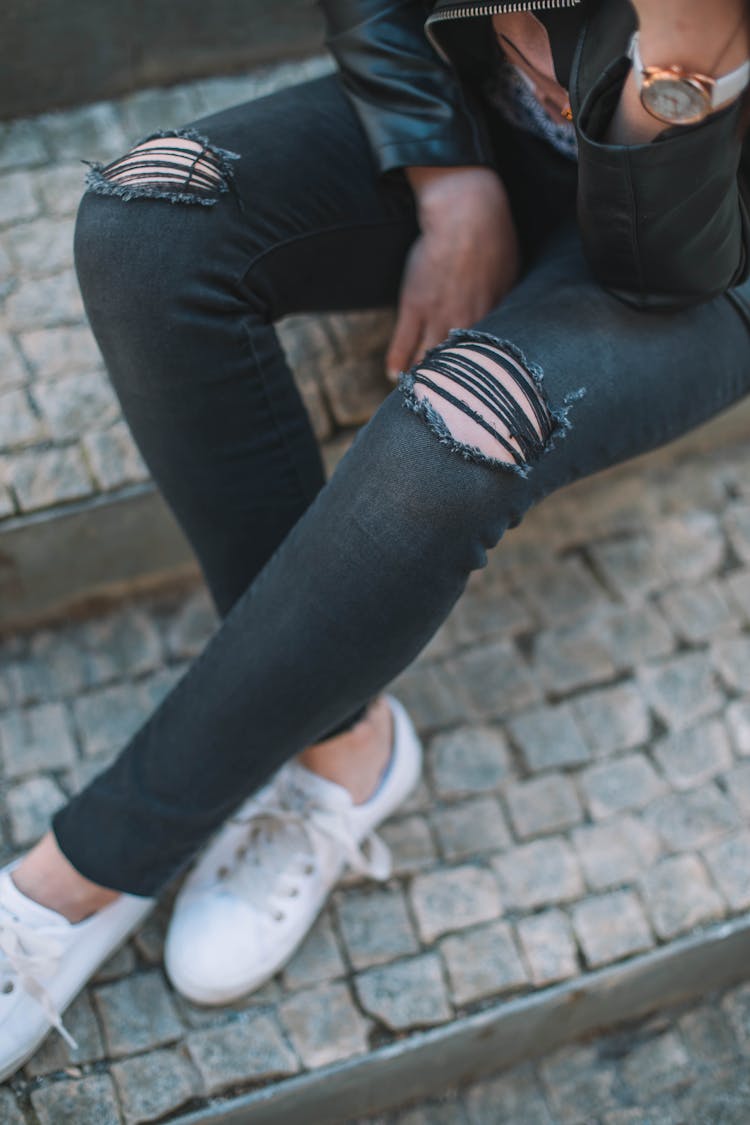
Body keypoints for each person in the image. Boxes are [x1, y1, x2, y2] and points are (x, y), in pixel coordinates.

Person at [2, 0, 750, 1081]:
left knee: (459, 429)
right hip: (478, 125)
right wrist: (446, 181)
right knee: (146, 216)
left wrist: (685, 66)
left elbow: (659, 269)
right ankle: (345, 744)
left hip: (695, 235)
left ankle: (72, 882)